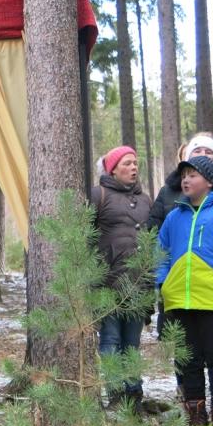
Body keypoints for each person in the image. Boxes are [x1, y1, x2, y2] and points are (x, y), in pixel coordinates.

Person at [157, 155, 213, 426]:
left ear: (209, 181)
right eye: (184, 175)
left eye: (193, 175)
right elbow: (160, 255)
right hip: (180, 302)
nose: (186, 180)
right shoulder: (174, 217)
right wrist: (164, 288)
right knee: (188, 360)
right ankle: (195, 417)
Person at [91, 145, 152, 410]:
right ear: (112, 169)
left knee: (132, 344)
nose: (133, 167)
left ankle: (134, 395)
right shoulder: (98, 195)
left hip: (137, 284)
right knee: (110, 340)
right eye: (127, 163)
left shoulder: (146, 200)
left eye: (135, 163)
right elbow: (86, 238)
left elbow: (151, 241)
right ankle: (115, 395)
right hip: (107, 284)